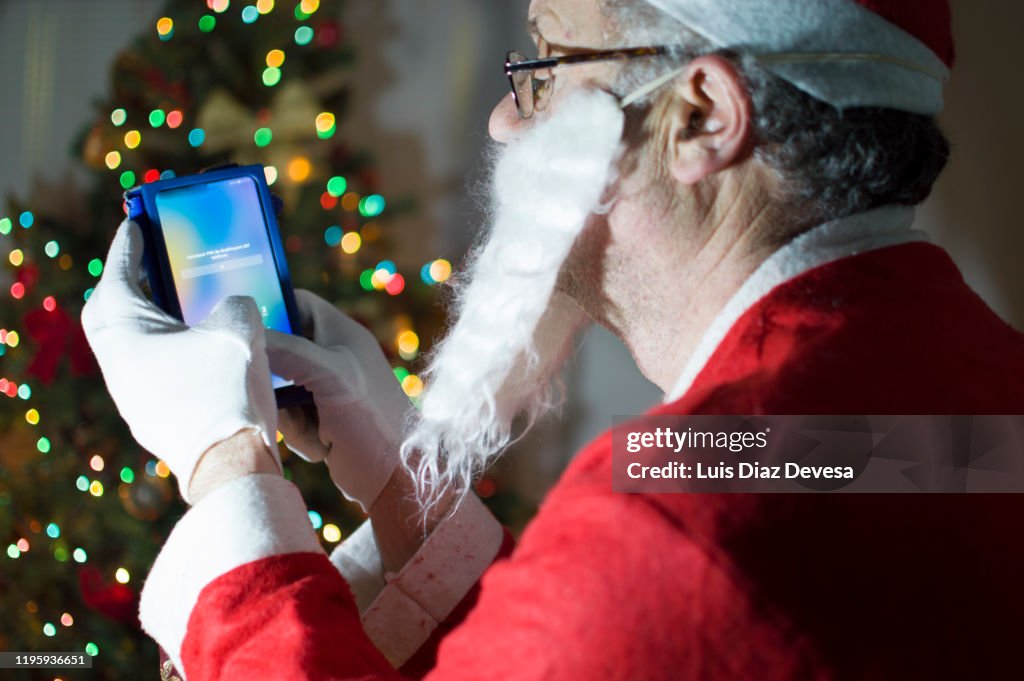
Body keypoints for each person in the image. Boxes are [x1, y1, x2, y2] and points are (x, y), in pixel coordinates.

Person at [82, 0, 1024, 679]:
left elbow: (664, 580)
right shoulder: (966, 390)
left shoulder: (673, 523)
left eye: (541, 70)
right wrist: (411, 493)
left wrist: (228, 465)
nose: (504, 118)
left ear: (699, 118)